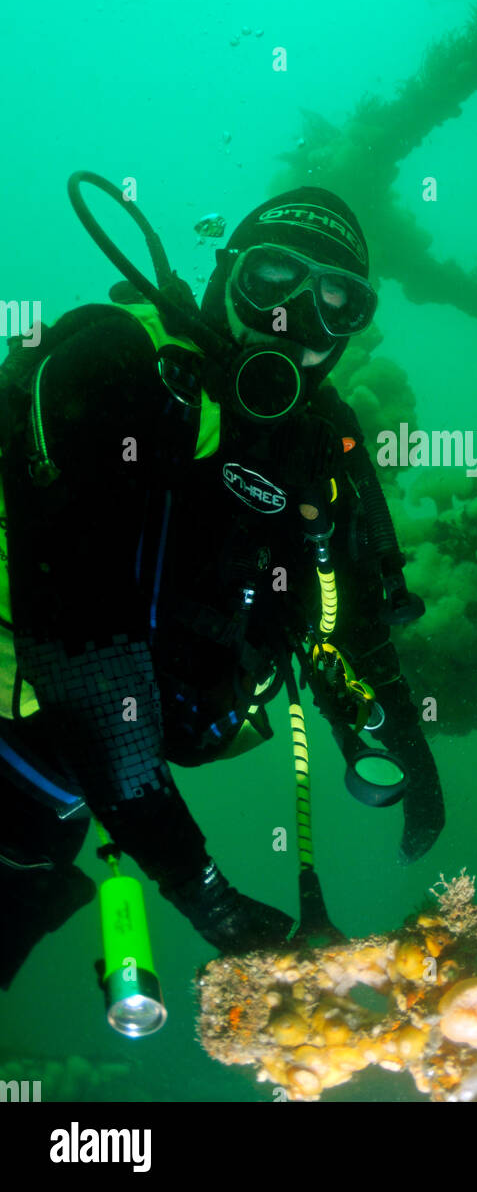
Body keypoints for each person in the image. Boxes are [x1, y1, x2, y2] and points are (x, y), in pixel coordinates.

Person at [0, 184, 444, 989]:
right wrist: (199, 886)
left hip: (66, 797)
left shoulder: (319, 443)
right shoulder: (114, 367)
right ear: (224, 270)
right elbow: (79, 653)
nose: (295, 320)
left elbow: (344, 613)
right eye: (274, 278)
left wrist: (403, 744)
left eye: (335, 300)